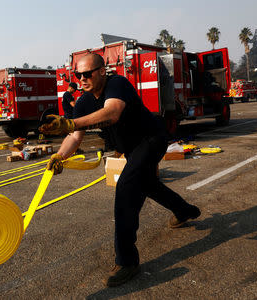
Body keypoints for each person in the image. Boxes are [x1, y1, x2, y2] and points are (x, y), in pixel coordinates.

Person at [39, 53, 200, 287]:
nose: (82, 79)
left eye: (87, 74)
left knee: (126, 188)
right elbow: (74, 137)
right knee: (148, 185)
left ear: (102, 71)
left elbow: (112, 113)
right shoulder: (83, 102)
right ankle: (185, 210)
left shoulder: (117, 84)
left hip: (151, 139)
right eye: (77, 75)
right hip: (132, 149)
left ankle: (127, 262)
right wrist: (59, 156)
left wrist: (71, 122)